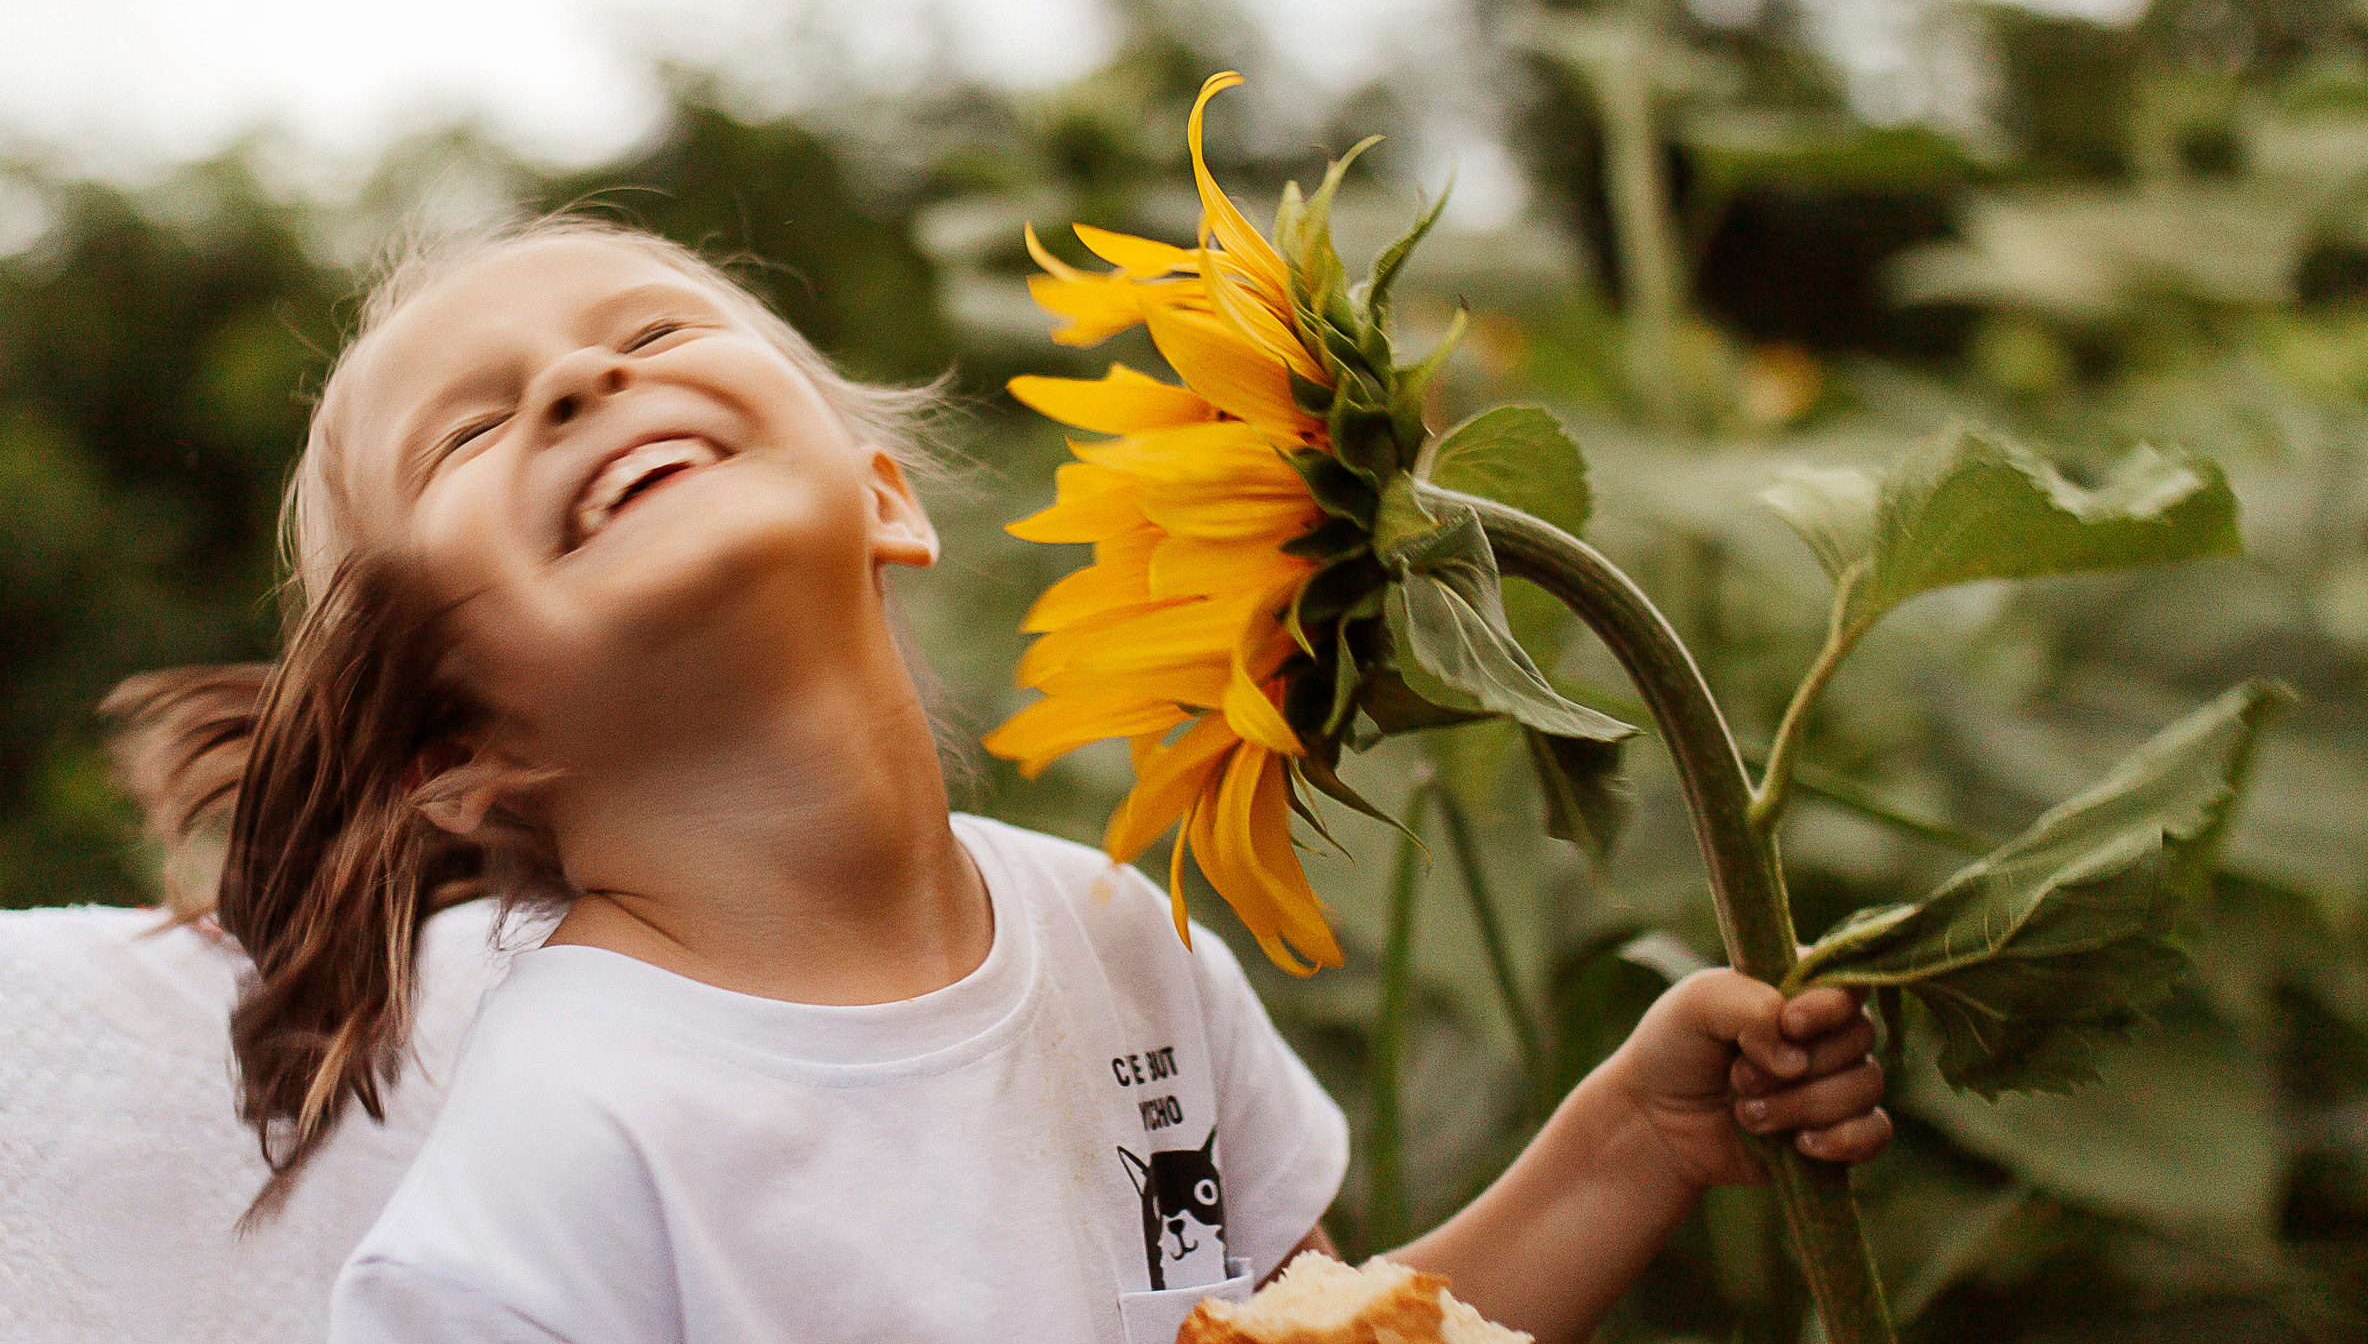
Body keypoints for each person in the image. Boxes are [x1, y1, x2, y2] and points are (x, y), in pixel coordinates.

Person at [150, 216, 1889, 1344]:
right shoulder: (563, 1165)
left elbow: (1326, 1336)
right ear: (456, 749)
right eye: (468, 430)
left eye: (660, 333)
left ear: (884, 500)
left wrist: (1622, 1152)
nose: (586, 378)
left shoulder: (1122, 935)